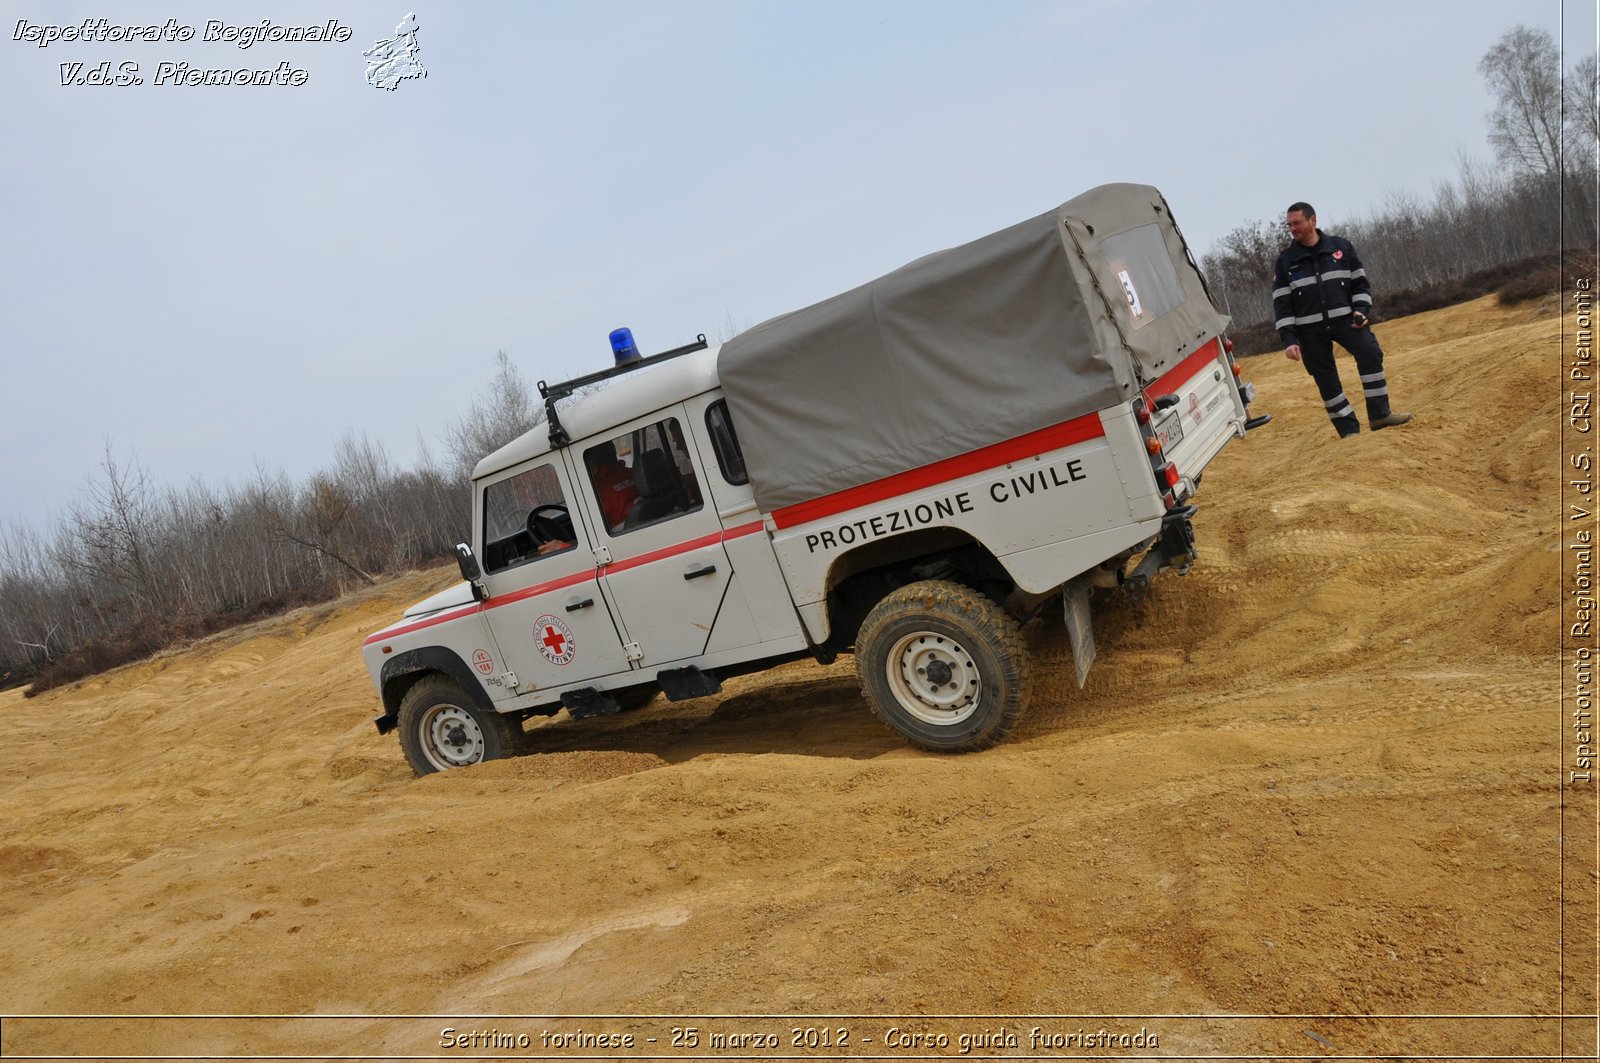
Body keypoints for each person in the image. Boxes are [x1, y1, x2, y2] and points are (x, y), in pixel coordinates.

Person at [1272, 202, 1412, 438]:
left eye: (1297, 223)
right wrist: (1289, 339)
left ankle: (1380, 415)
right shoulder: (1286, 261)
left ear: (1312, 220)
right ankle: (1349, 433)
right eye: (1289, 225)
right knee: (1326, 380)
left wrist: (1361, 310)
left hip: (1347, 321)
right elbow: (1282, 304)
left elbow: (1360, 284)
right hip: (1310, 332)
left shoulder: (1341, 247)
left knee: (1370, 353)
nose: (1293, 229)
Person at [586, 440, 639, 532]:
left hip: (624, 532)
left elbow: (595, 526)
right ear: (614, 454)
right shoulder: (635, 473)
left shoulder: (597, 490)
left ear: (591, 464)